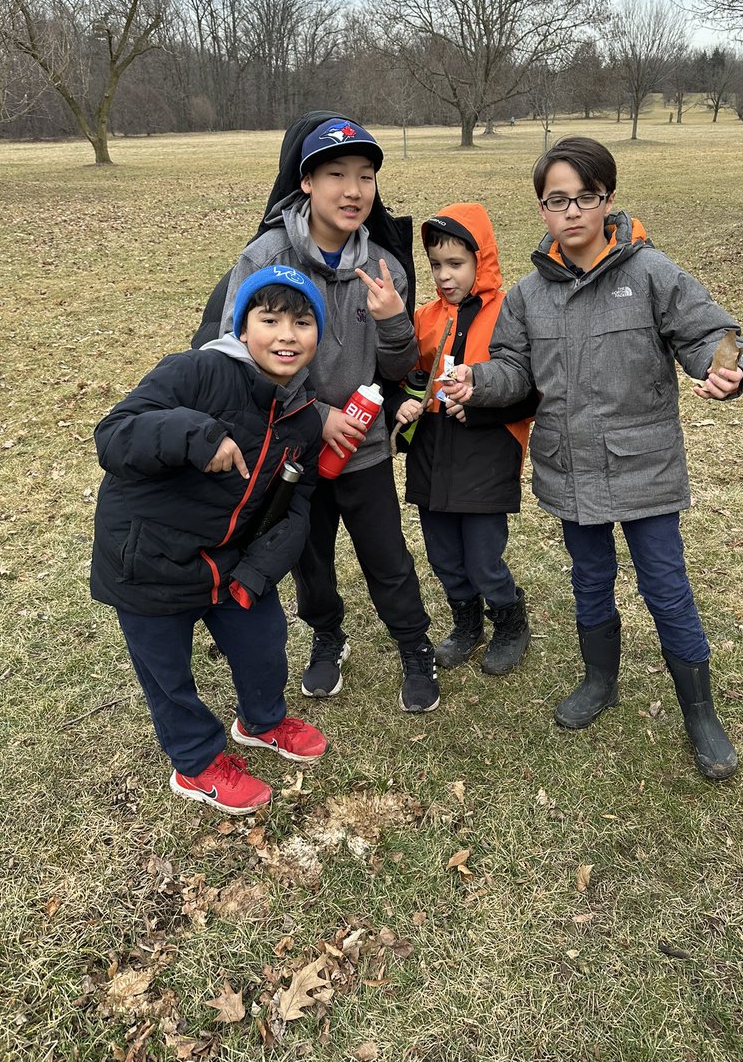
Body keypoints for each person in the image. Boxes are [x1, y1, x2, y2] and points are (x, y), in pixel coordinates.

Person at [443, 137, 743, 780]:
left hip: (644, 469)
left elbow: (710, 334)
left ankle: (701, 713)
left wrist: (724, 369)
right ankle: (599, 683)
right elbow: (514, 371)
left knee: (666, 590)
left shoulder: (650, 272)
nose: (573, 211)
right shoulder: (528, 295)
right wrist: (478, 380)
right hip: (569, 468)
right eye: (559, 200)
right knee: (590, 582)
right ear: (543, 210)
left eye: (586, 197)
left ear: (607, 199)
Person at [201, 115, 438, 713]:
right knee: (309, 555)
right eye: (336, 174)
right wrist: (315, 414)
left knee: (386, 555)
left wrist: (391, 319)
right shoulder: (265, 256)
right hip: (293, 448)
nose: (353, 189)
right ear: (305, 182)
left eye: (365, 176)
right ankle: (328, 637)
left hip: (365, 446)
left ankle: (414, 646)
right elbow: (241, 353)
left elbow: (401, 363)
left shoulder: (386, 265)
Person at [91, 267, 329, 814]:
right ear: (244, 329)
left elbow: (296, 509)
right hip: (146, 559)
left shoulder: (304, 416)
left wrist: (255, 572)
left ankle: (261, 722)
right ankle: (196, 764)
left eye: (302, 322)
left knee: (265, 640)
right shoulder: (197, 371)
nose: (286, 335)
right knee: (168, 676)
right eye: (269, 320)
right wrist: (198, 434)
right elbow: (115, 433)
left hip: (229, 562)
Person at [392, 204, 537, 675]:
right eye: (435, 265)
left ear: (482, 259)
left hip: (487, 452)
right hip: (433, 451)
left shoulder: (509, 312)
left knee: (482, 556)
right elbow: (412, 374)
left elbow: (530, 388)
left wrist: (478, 406)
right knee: (443, 554)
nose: (444, 275)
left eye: (455, 264)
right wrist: (406, 401)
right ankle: (466, 622)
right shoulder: (426, 317)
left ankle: (509, 620)